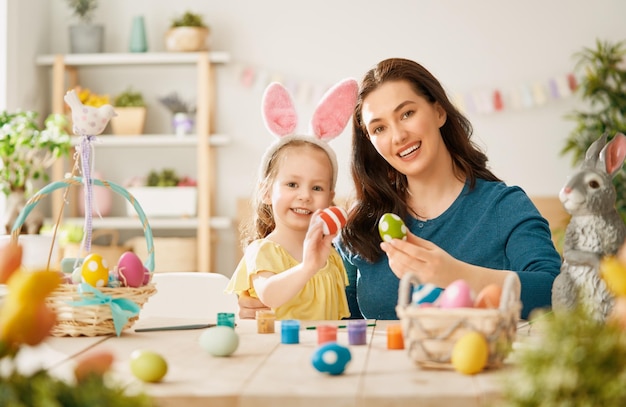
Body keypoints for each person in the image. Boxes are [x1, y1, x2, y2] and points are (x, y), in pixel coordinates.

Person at [238, 58, 561, 321]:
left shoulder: (504, 206)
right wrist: (271, 306)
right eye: (379, 128)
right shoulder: (360, 223)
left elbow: (556, 293)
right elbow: (338, 314)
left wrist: (453, 275)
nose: (397, 136)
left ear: (438, 111)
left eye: (407, 113)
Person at [225, 79, 358, 320]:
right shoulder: (263, 250)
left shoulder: (330, 256)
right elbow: (268, 295)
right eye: (292, 184)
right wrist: (308, 266)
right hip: (278, 354)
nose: (305, 195)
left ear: (330, 198)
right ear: (266, 191)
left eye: (317, 187)